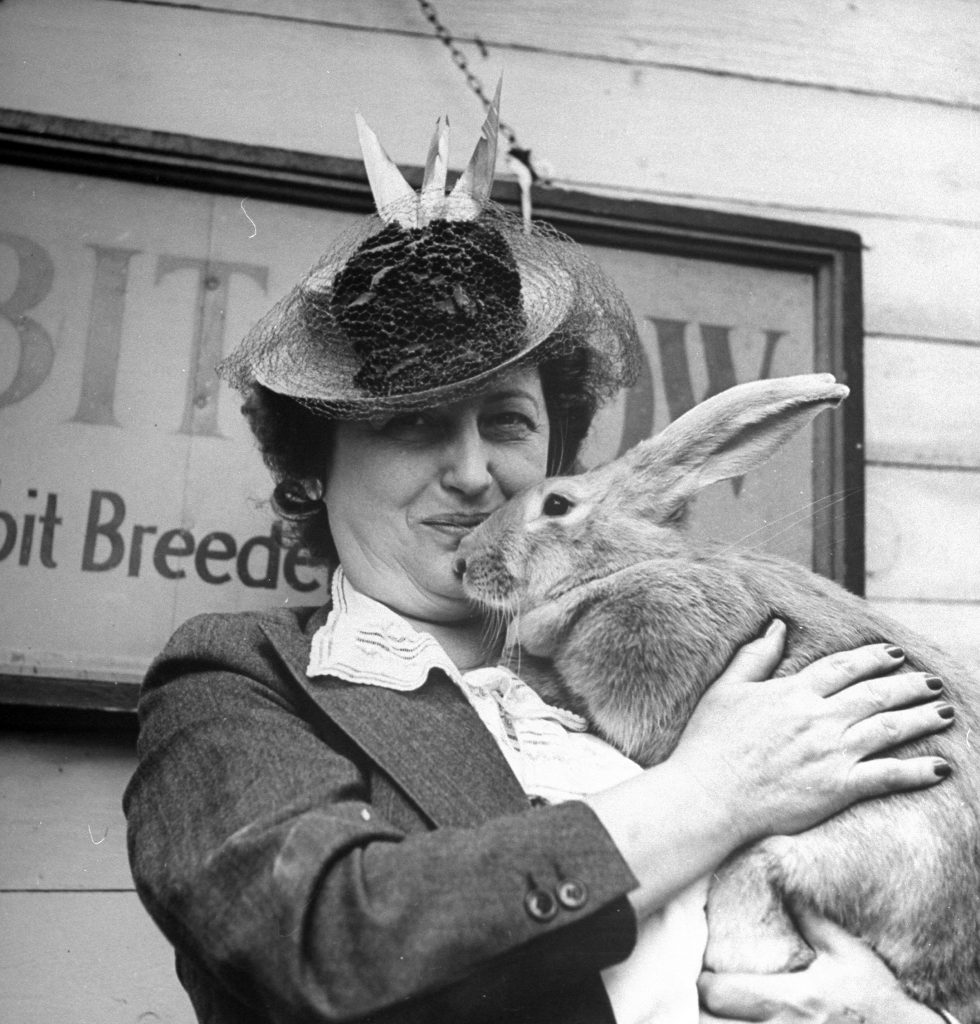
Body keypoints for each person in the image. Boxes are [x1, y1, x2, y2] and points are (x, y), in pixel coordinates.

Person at [124, 96, 959, 1024]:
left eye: (508, 422)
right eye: (414, 423)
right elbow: (327, 945)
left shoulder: (672, 657)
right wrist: (711, 794)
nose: (476, 473)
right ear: (314, 465)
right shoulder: (243, 677)